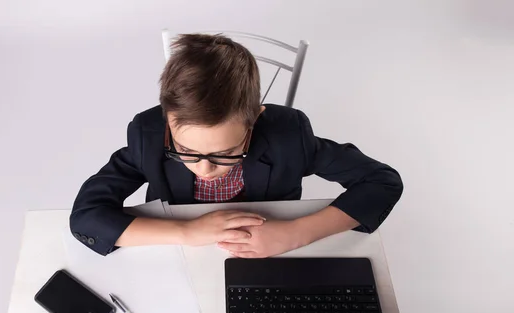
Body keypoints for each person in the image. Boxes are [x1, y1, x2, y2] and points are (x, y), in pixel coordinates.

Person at [70, 34, 402, 258]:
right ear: (167, 119)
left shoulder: (289, 136)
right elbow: (87, 216)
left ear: (255, 119)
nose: (204, 168)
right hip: (182, 250)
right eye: (185, 150)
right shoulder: (147, 136)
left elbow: (381, 182)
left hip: (271, 244)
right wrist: (187, 232)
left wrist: (296, 233)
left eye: (226, 153)